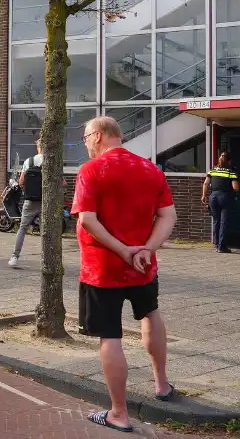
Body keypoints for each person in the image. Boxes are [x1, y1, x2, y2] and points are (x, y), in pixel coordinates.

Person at [72, 116, 176, 433]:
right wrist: (146, 249)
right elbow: (168, 215)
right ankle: (162, 385)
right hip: (144, 267)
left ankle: (119, 412)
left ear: (100, 135)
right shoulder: (150, 169)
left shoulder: (91, 171)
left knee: (110, 336)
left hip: (102, 268)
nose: (86, 143)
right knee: (150, 315)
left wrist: (122, 250)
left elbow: (88, 219)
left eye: (87, 137)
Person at [11, 140, 44, 268]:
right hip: (46, 202)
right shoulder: (53, 161)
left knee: (23, 228)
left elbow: (21, 182)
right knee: (46, 230)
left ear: (38, 147)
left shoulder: (28, 161)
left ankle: (14, 256)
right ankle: (47, 260)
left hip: (30, 201)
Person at [202, 152, 239, 254]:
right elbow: (235, 187)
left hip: (213, 197)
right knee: (224, 222)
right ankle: (222, 247)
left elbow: (206, 183)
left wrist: (204, 195)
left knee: (216, 221)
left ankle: (216, 244)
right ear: (229, 161)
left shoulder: (213, 170)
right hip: (225, 197)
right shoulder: (231, 172)